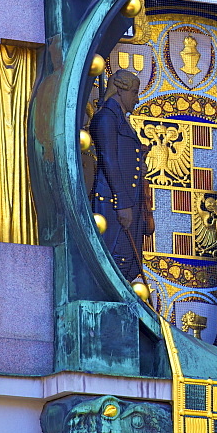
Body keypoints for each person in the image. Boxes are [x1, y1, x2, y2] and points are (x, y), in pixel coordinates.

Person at [90, 69, 153, 283]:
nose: (136, 98)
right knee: (118, 257)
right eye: (134, 92)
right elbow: (109, 159)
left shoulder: (119, 119)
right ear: (120, 89)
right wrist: (122, 203)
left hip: (127, 200)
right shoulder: (107, 117)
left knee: (129, 261)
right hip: (114, 202)